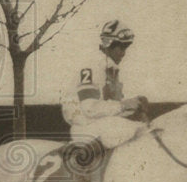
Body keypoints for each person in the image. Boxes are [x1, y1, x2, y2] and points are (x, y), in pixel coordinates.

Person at [60, 19, 148, 150]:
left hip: (102, 124)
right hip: (85, 127)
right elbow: (89, 108)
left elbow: (109, 108)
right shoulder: (91, 67)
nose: (124, 53)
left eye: (126, 47)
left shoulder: (110, 69)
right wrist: (124, 105)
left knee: (143, 128)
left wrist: (134, 108)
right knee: (138, 131)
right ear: (109, 45)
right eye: (121, 47)